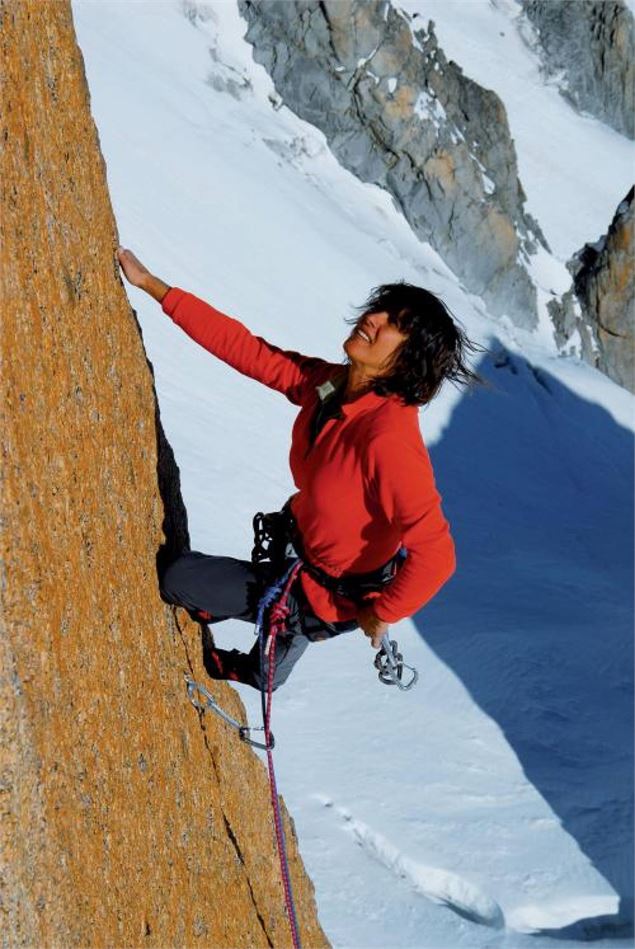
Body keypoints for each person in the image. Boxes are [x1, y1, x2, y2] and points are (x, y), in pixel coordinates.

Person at [116, 246, 485, 691]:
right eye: (379, 309)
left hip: (324, 594)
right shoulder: (331, 387)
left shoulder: (388, 440)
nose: (373, 318)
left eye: (393, 324)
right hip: (296, 547)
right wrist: (154, 286)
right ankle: (267, 626)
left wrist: (382, 612)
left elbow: (437, 555)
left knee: (180, 581)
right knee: (206, 586)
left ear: (407, 361)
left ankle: (273, 654)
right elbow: (251, 352)